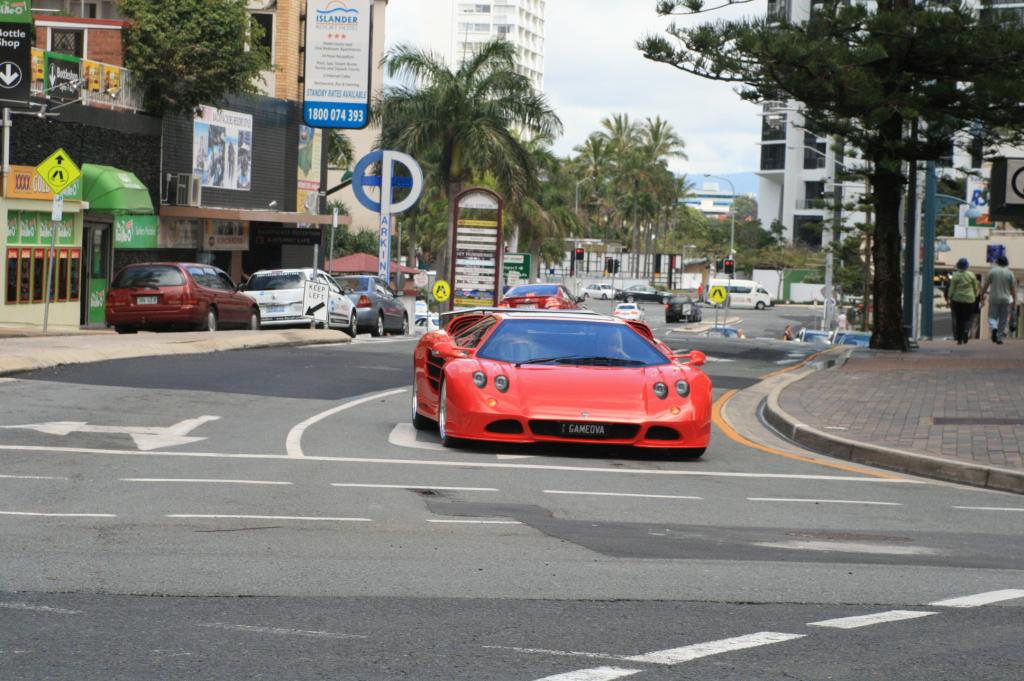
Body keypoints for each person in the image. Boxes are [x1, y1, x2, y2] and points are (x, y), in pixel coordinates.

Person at [979, 255, 1017, 345]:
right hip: (1006, 300)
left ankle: (994, 328)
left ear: (998, 262)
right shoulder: (1010, 273)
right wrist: (1015, 300)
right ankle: (999, 338)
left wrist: (981, 294)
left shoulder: (992, 272)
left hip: (994, 299)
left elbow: (986, 285)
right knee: (1003, 319)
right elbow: (1013, 289)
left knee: (992, 317)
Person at [946, 258, 979, 345]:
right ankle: (966, 331)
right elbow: (975, 287)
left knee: (959, 319)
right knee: (967, 318)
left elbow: (952, 288)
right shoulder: (971, 275)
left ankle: (959, 339)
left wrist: (949, 297)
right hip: (969, 300)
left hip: (957, 300)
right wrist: (975, 294)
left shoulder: (955, 275)